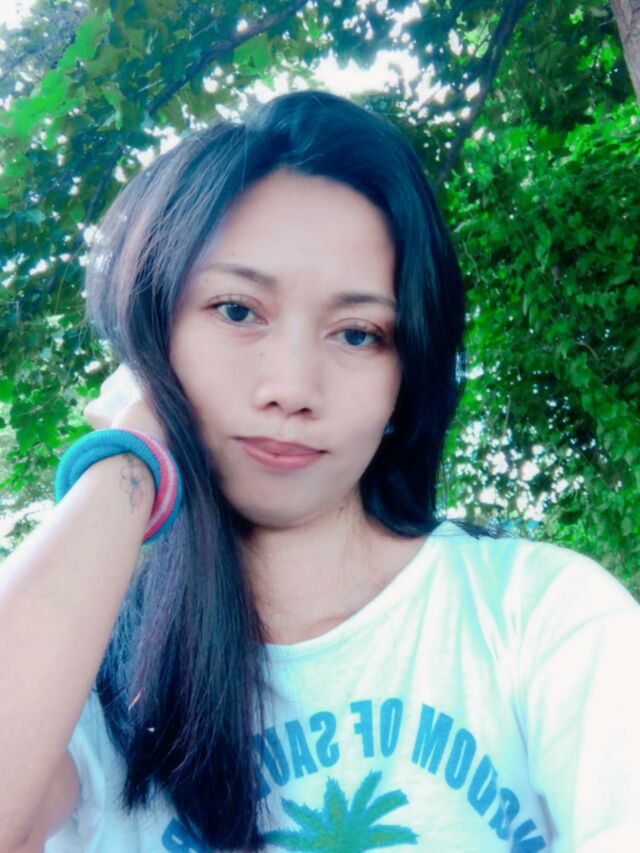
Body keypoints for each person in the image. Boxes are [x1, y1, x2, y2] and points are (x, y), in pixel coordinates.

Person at [0, 90, 638, 853]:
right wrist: (130, 458)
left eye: (359, 334)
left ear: (407, 376)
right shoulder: (84, 675)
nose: (293, 388)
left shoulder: (541, 617)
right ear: (153, 331)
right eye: (238, 310)